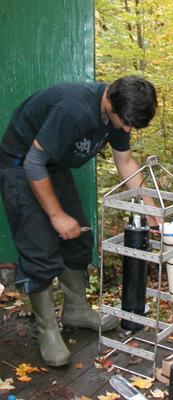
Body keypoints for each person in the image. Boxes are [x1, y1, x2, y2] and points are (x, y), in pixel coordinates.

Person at [0, 76, 158, 367]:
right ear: (108, 99)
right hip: (21, 165)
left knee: (80, 237)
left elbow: (125, 162)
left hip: (54, 165)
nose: (126, 129)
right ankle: (47, 328)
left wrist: (150, 206)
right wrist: (56, 215)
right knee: (40, 247)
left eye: (131, 126)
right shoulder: (74, 110)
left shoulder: (120, 113)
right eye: (125, 122)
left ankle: (75, 308)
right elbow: (32, 163)